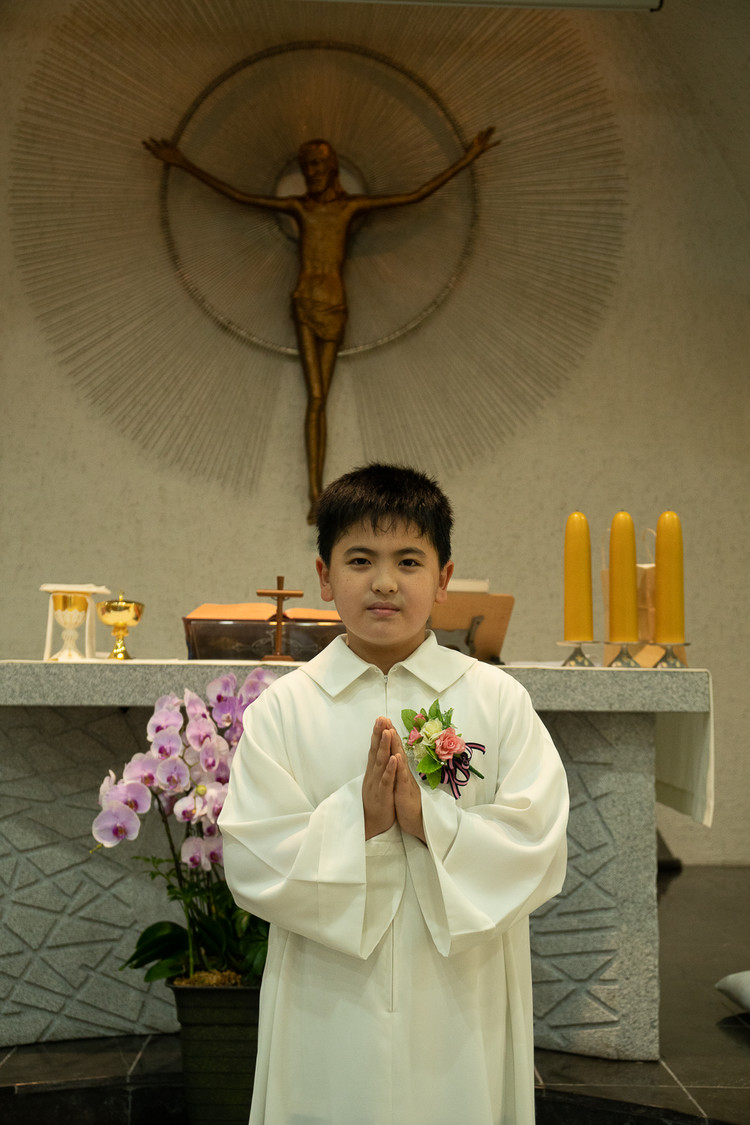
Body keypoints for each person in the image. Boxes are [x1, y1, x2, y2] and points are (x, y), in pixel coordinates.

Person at [218, 463, 569, 1124]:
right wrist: (359, 821)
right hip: (329, 998)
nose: (384, 581)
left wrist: (430, 822)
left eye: (409, 560)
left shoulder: (496, 699)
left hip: (459, 995)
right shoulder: (284, 710)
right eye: (360, 560)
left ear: (443, 577)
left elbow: (538, 841)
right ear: (325, 576)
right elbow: (253, 858)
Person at [143, 133, 496, 521]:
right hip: (304, 302)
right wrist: (182, 162)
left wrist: (468, 158)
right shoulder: (300, 207)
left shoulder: (348, 208)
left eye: (317, 165)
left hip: (334, 305)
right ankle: (315, 492)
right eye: (306, 166)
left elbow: (415, 195)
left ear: (331, 168)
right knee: (314, 396)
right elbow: (240, 196)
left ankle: (318, 492)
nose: (311, 172)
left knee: (320, 398)